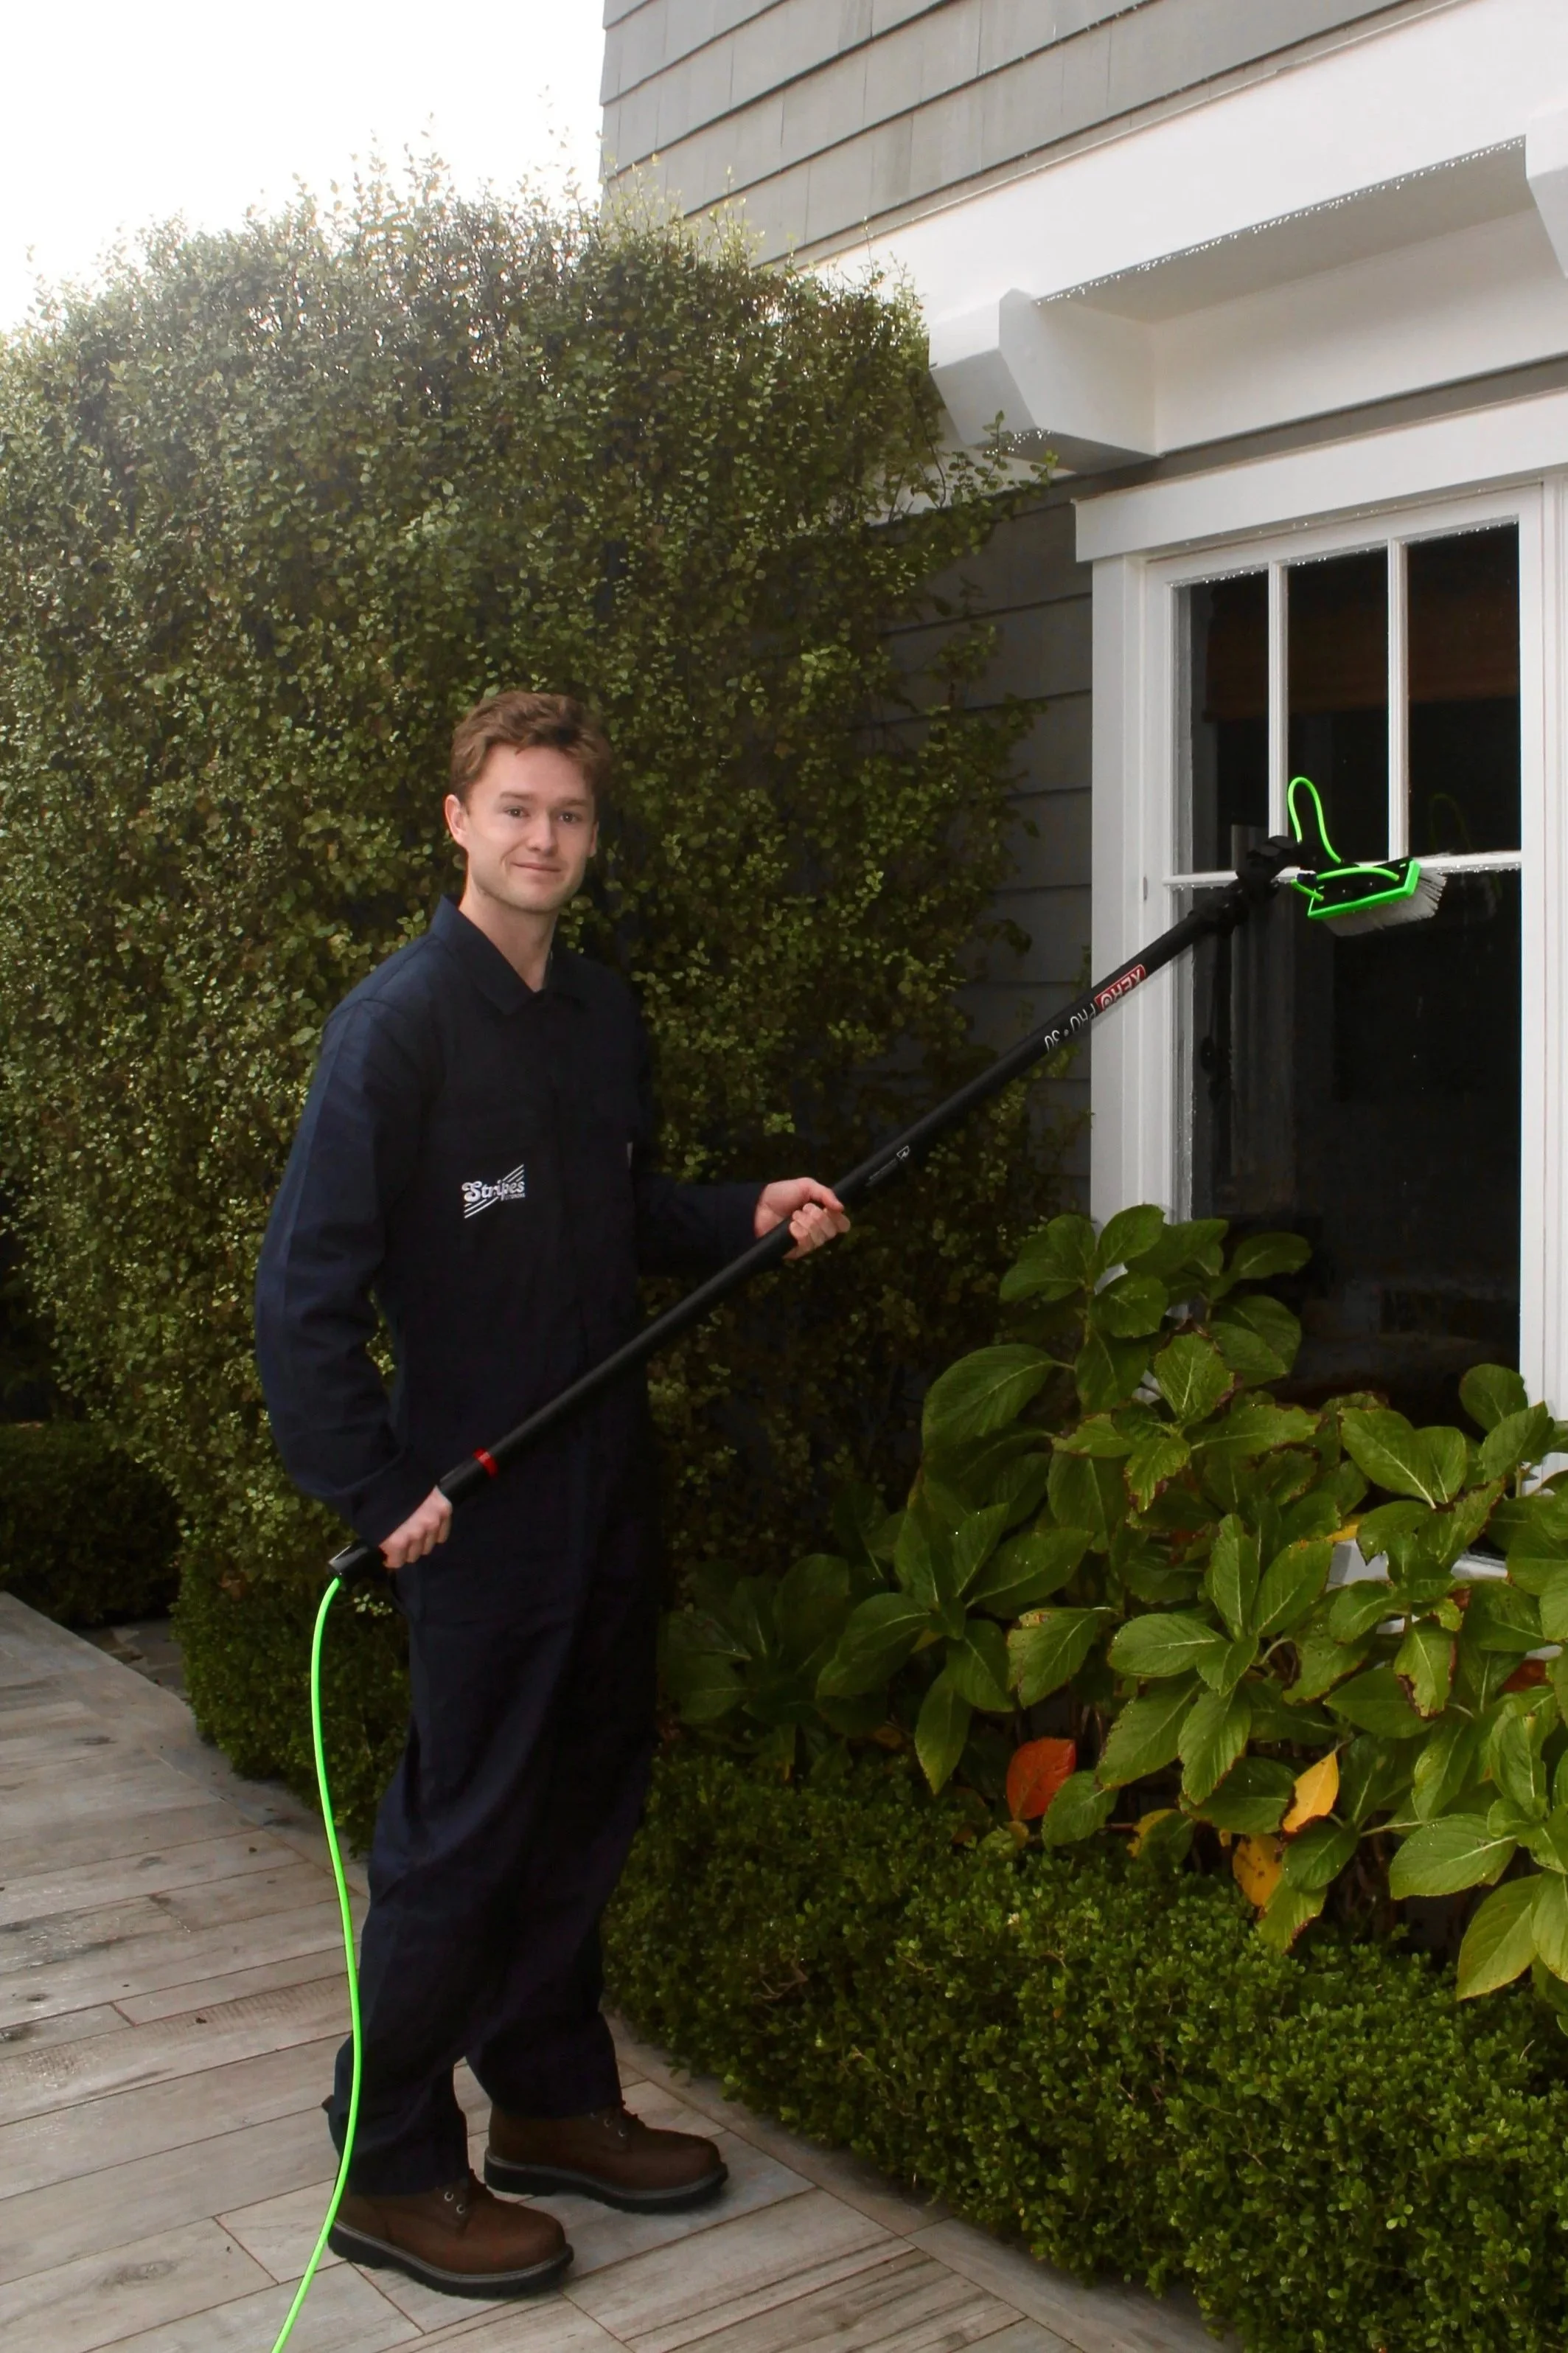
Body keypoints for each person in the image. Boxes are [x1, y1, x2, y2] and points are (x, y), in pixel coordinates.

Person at [254, 691, 848, 2300]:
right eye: (515, 809)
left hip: (603, 1481)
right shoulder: (396, 1030)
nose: (543, 839)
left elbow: (617, 1211)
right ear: (458, 820)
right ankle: (385, 2163)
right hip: (473, 1499)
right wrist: (378, 1486)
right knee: (462, 1837)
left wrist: (743, 1212)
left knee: (586, 1800)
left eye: (569, 817)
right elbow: (301, 1295)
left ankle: (550, 2098)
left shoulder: (597, 1013)